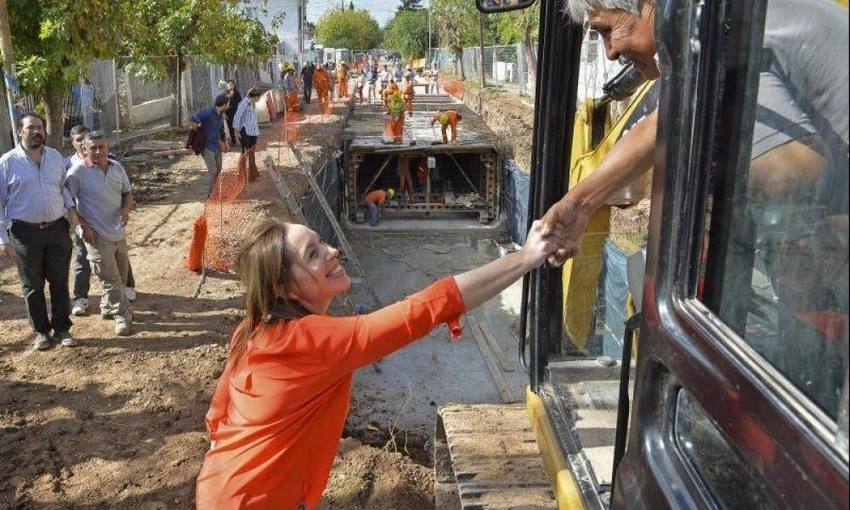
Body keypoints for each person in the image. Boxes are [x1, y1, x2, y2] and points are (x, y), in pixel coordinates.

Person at [194, 216, 563, 509]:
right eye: (313, 254)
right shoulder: (312, 342)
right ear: (286, 289)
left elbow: (217, 415)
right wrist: (523, 259)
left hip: (219, 488)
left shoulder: (252, 329)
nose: (333, 250)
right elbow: (421, 310)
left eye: (322, 242)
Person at [0, 113, 77, 350]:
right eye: (31, 128)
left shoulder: (54, 157)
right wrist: (3, 239)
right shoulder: (7, 162)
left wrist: (71, 210)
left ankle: (62, 328)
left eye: (40, 127)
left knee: (60, 281)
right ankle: (41, 331)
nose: (37, 132)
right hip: (25, 233)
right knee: (32, 285)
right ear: (20, 132)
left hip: (57, 230)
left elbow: (62, 187)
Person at [64, 131, 134, 336]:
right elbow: (68, 203)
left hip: (118, 233)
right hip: (95, 235)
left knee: (120, 275)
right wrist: (82, 226)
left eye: (101, 147)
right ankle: (123, 315)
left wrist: (125, 210)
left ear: (107, 147)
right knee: (109, 278)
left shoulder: (117, 168)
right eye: (92, 148)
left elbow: (127, 193)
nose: (97, 151)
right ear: (84, 150)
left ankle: (107, 306)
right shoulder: (76, 173)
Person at [190, 94, 230, 197]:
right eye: (228, 104)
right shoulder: (208, 112)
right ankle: (211, 195)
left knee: (218, 170)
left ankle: (217, 192)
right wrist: (199, 133)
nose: (228, 106)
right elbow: (193, 119)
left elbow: (221, 131)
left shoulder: (220, 115)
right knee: (213, 171)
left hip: (217, 146)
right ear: (224, 104)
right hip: (207, 147)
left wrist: (224, 142)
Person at [232, 87, 263, 183]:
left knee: (252, 153)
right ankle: (241, 175)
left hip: (253, 132)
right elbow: (237, 117)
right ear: (255, 96)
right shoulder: (243, 103)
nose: (259, 99)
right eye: (259, 97)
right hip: (245, 132)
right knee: (244, 153)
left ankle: (253, 174)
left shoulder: (253, 104)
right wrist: (236, 132)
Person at [224, 80, 242, 147]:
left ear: (234, 85)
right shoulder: (225, 93)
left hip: (236, 112)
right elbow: (224, 104)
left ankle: (240, 140)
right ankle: (234, 141)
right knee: (231, 127)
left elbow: (240, 103)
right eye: (229, 84)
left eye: (232, 84)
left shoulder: (237, 93)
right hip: (228, 113)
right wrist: (229, 96)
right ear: (227, 86)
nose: (231, 85)